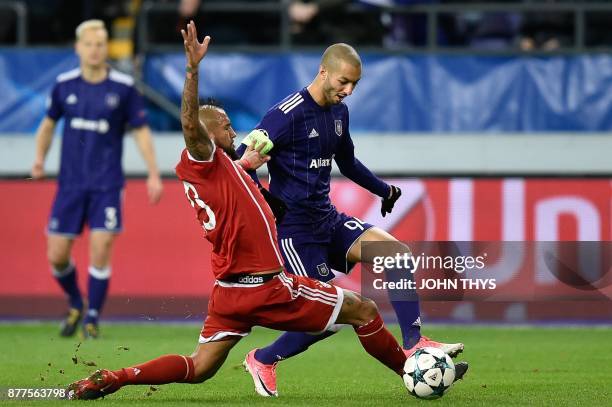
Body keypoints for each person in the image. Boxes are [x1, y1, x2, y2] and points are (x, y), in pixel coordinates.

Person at [65, 20, 437, 400]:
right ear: (208, 140)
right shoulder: (209, 160)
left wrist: (250, 169)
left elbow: (244, 170)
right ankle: (411, 369)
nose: (234, 134)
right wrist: (193, 70)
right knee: (362, 310)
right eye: (226, 128)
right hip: (269, 285)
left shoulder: (230, 171)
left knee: (199, 367)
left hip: (229, 293)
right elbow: (193, 126)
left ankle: (118, 377)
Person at [236, 41, 465, 396]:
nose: (349, 90)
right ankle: (263, 358)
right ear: (323, 71)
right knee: (327, 319)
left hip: (328, 221)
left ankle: (416, 346)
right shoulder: (285, 115)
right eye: (344, 81)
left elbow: (348, 163)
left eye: (355, 84)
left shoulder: (339, 113)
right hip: (296, 233)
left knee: (397, 254)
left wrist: (383, 190)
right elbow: (240, 163)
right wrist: (267, 203)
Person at [30, 19, 163, 339]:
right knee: (57, 255)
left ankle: (92, 316)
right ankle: (76, 301)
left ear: (107, 48)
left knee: (101, 246)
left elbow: (141, 131)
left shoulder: (123, 88)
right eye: (89, 44)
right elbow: (48, 126)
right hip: (70, 185)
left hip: (107, 184)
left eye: (100, 44)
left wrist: (153, 172)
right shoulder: (64, 85)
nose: (95, 50)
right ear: (78, 48)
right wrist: (39, 159)